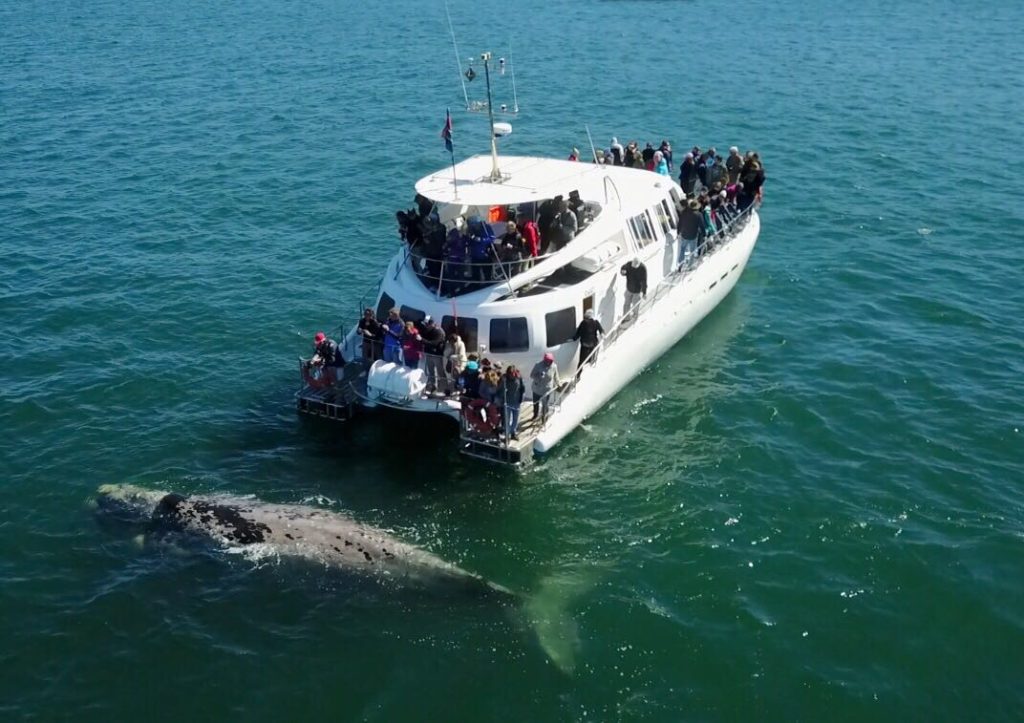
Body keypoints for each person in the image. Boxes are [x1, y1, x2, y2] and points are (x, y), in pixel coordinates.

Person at [530, 352, 560, 425]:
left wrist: (558, 383)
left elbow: (556, 376)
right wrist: (539, 377)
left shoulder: (554, 366)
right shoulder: (538, 365)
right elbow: (532, 375)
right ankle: (535, 415)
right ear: (544, 360)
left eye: (550, 361)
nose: (549, 363)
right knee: (535, 403)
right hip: (537, 389)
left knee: (545, 405)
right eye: (548, 361)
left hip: (546, 390)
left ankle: (544, 419)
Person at [497, 365, 526, 440]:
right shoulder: (504, 379)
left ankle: (513, 433)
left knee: (515, 420)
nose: (511, 376)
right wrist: (501, 397)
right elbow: (499, 390)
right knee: (507, 420)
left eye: (513, 374)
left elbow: (523, 389)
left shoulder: (519, 378)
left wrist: (521, 398)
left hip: (517, 402)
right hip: (507, 403)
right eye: (510, 374)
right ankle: (507, 435)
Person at [420, 317, 446, 394]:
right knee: (431, 371)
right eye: (425, 324)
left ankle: (443, 387)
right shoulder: (428, 330)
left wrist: (422, 340)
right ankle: (433, 386)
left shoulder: (439, 332)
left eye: (427, 324)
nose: (426, 326)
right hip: (429, 354)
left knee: (440, 372)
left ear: (432, 324)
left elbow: (434, 343)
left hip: (436, 355)